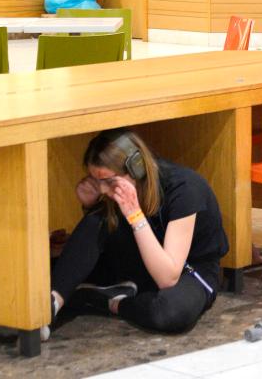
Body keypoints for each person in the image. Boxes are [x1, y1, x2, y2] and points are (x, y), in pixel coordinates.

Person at [46, 129, 228, 338]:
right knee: (96, 219)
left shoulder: (185, 188)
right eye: (96, 181)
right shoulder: (114, 190)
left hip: (189, 270)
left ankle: (112, 302)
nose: (103, 190)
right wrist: (90, 206)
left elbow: (168, 278)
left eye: (108, 181)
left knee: (170, 312)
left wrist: (135, 215)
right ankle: (52, 303)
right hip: (138, 263)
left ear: (137, 168)